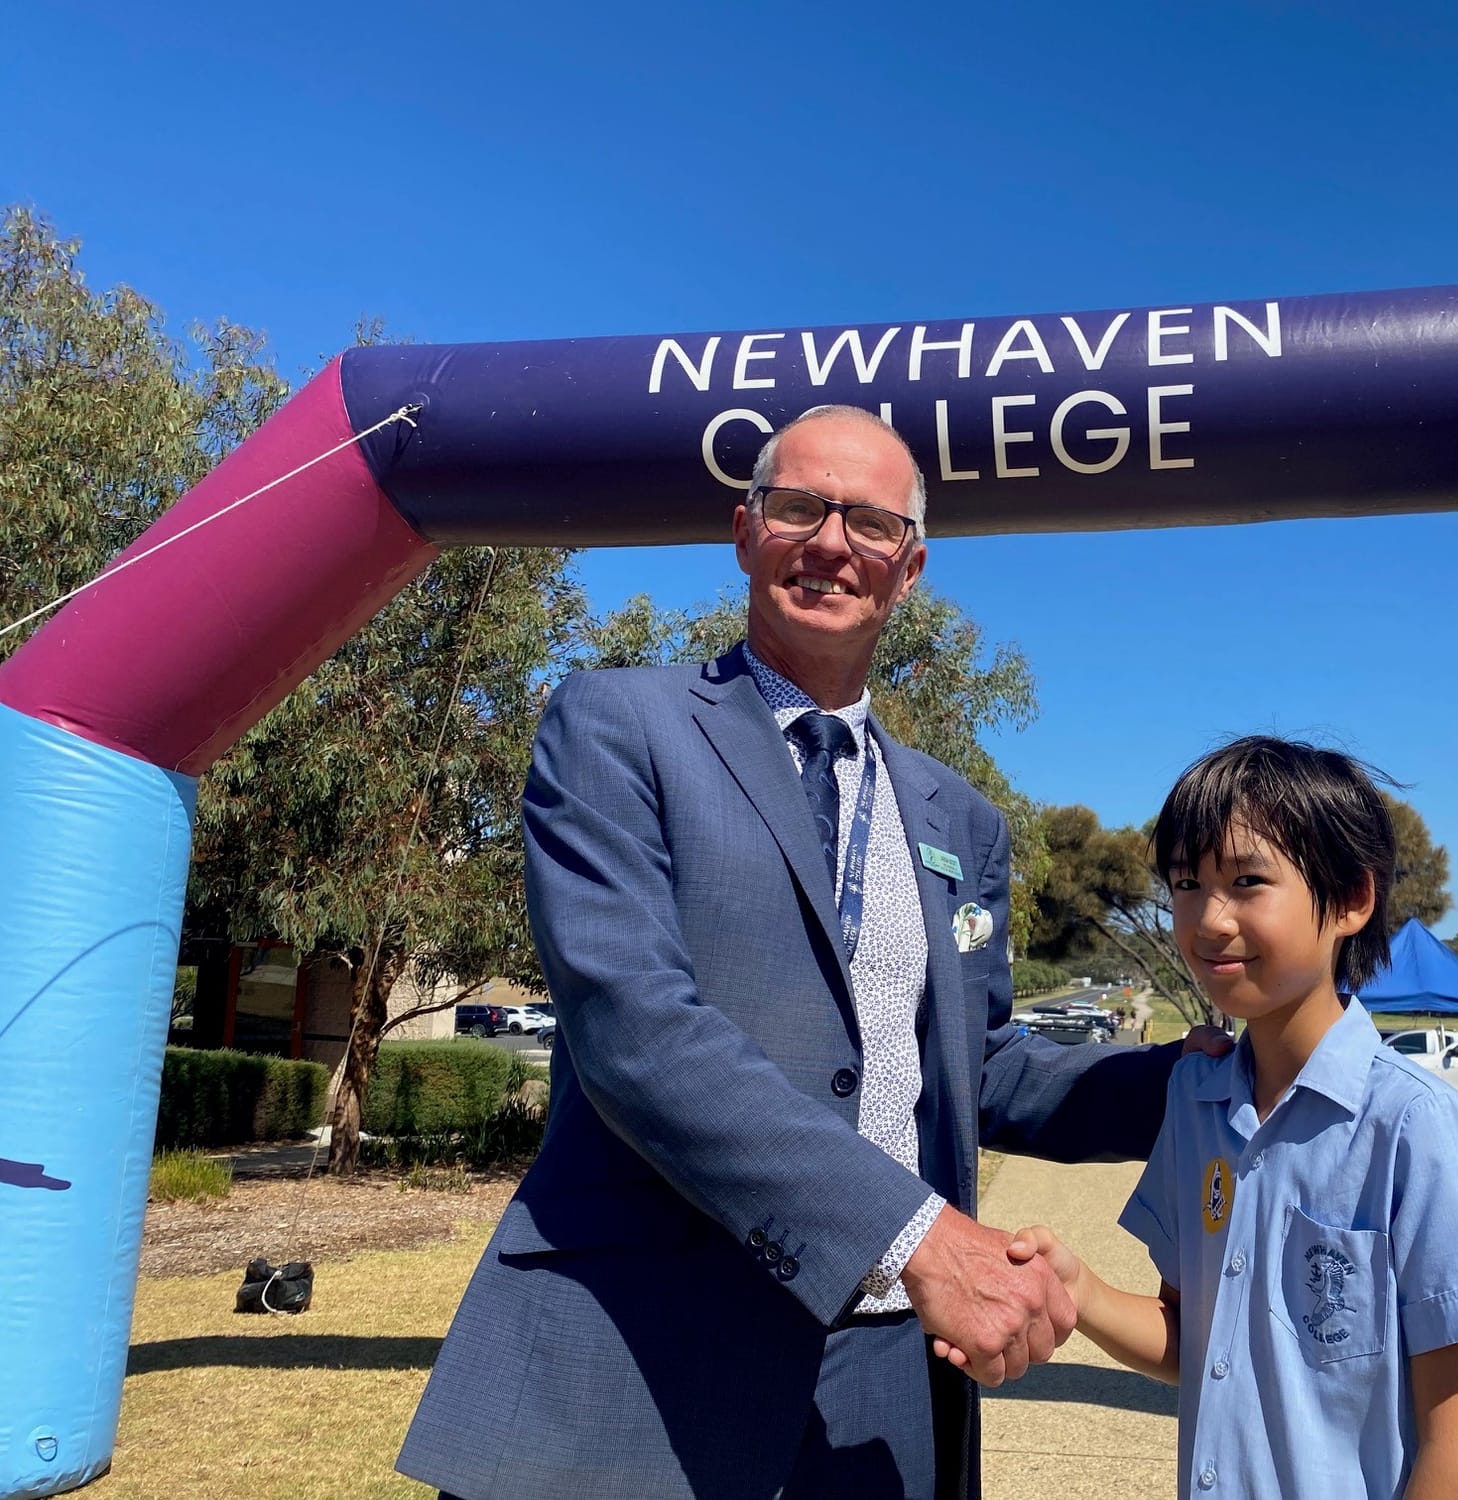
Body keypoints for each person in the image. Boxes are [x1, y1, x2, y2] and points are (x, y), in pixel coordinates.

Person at [396, 406, 1226, 1500]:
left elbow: (983, 1072)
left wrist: (1215, 1071)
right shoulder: (615, 727)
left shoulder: (960, 818)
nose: (831, 544)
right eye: (799, 507)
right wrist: (915, 1236)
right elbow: (636, 1031)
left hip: (887, 1381)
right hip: (637, 1356)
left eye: (871, 524)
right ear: (745, 532)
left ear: (909, 566)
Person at [1005, 737, 1458, 1499]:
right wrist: (1076, 1286)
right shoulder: (1196, 1102)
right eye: (1186, 883)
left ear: (1351, 899)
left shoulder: (1416, 1130)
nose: (1209, 919)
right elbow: (1195, 1340)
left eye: (1248, 881)